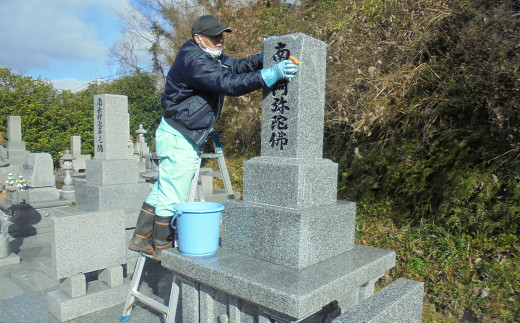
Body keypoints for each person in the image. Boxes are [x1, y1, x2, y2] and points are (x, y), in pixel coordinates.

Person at [129, 15, 299, 260]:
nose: (219, 41)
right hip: (180, 135)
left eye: (221, 36)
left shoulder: (207, 55)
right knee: (173, 194)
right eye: (213, 37)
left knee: (163, 188)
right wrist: (268, 75)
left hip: (177, 132)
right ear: (198, 38)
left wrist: (262, 58)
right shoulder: (194, 60)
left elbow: (236, 67)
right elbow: (226, 83)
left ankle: (141, 239)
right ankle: (162, 250)